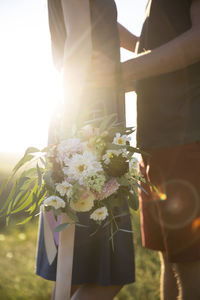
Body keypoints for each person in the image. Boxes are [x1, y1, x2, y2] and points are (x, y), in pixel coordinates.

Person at [36, 1, 138, 299]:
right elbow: (79, 41)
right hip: (88, 126)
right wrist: (70, 135)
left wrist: (148, 45)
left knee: (75, 267)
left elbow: (95, 24)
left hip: (86, 121)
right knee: (104, 272)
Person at [121, 0, 200, 299]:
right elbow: (158, 46)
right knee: (170, 258)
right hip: (154, 143)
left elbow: (197, 40)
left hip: (185, 136)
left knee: (191, 267)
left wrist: (116, 74)